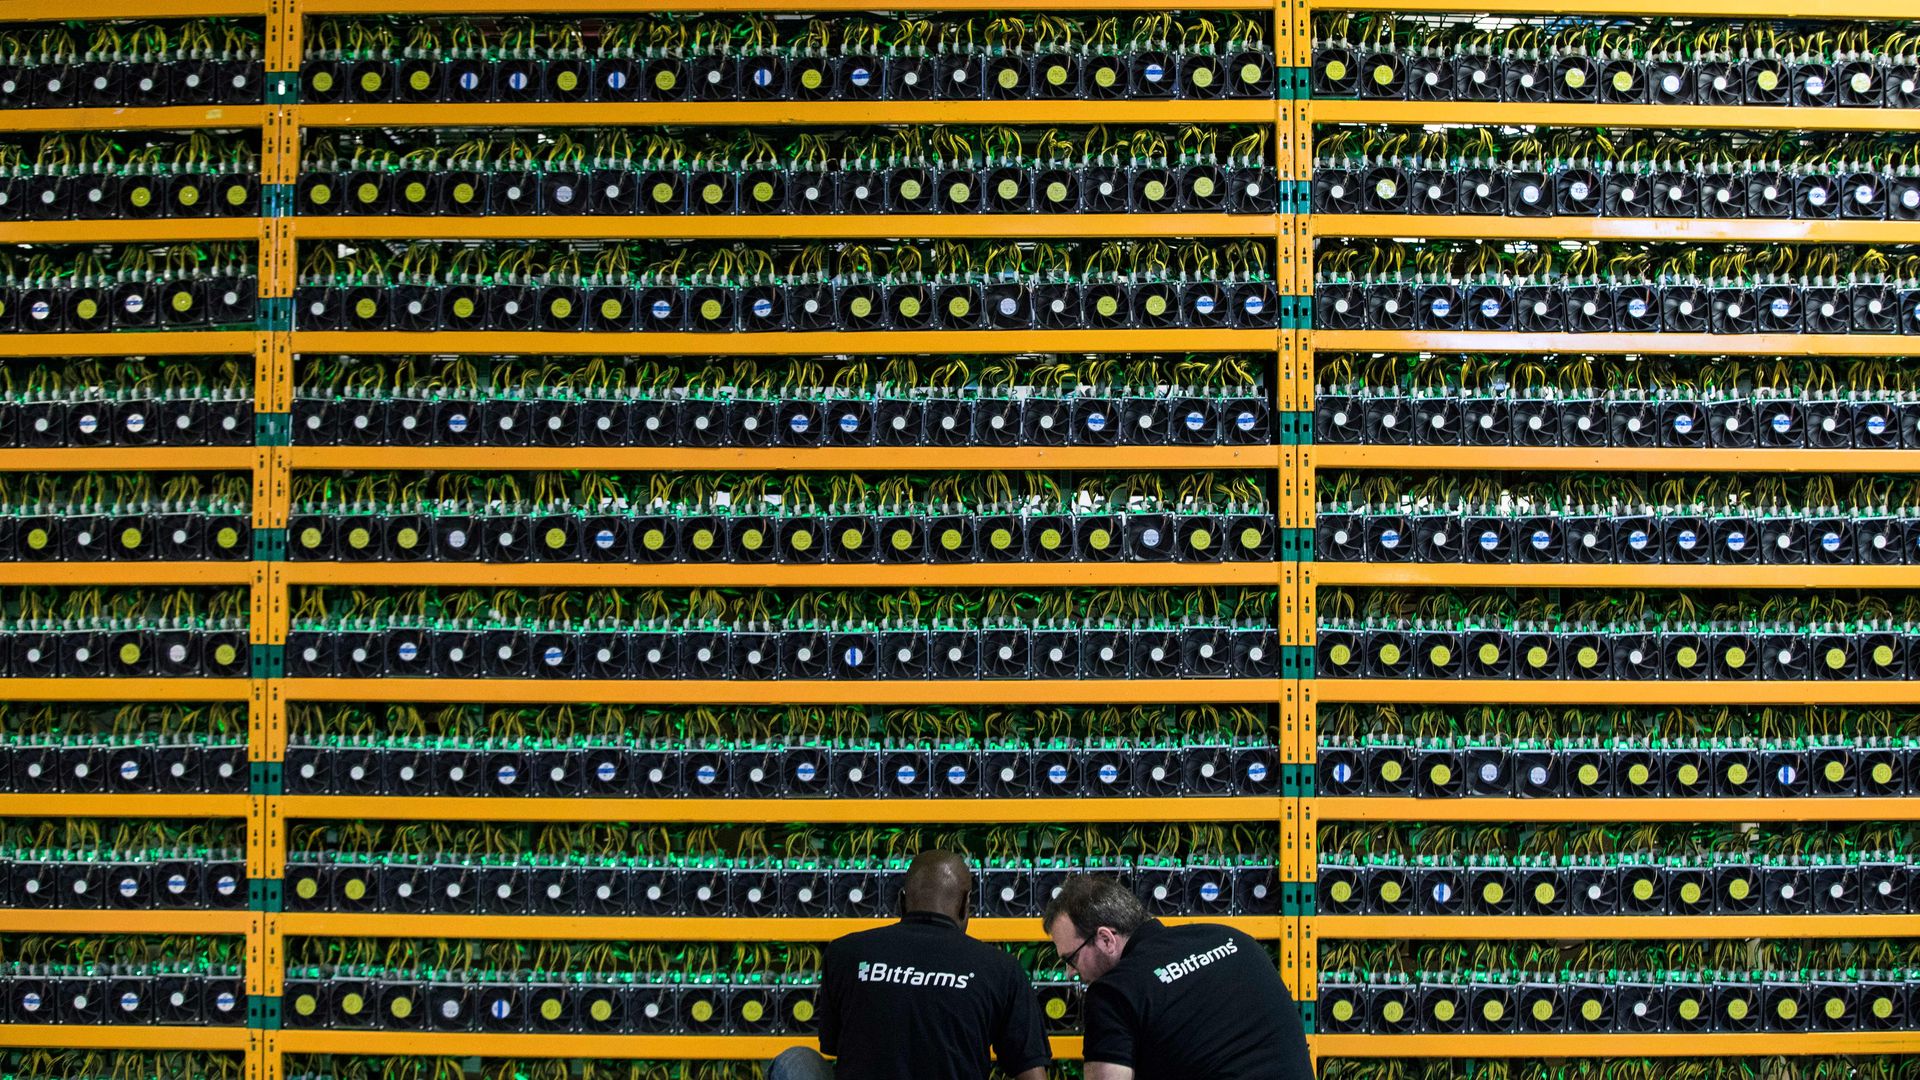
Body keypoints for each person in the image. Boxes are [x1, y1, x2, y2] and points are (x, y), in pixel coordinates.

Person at [769, 850, 1050, 1080]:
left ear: (901, 901)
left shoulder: (845, 953)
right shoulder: (1001, 969)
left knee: (796, 1059)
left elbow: (833, 1046)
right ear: (966, 905)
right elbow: (1031, 1074)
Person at [1042, 875, 1313, 1080]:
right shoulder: (1231, 939)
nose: (1069, 972)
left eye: (1070, 958)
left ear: (1105, 938)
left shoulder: (1114, 991)